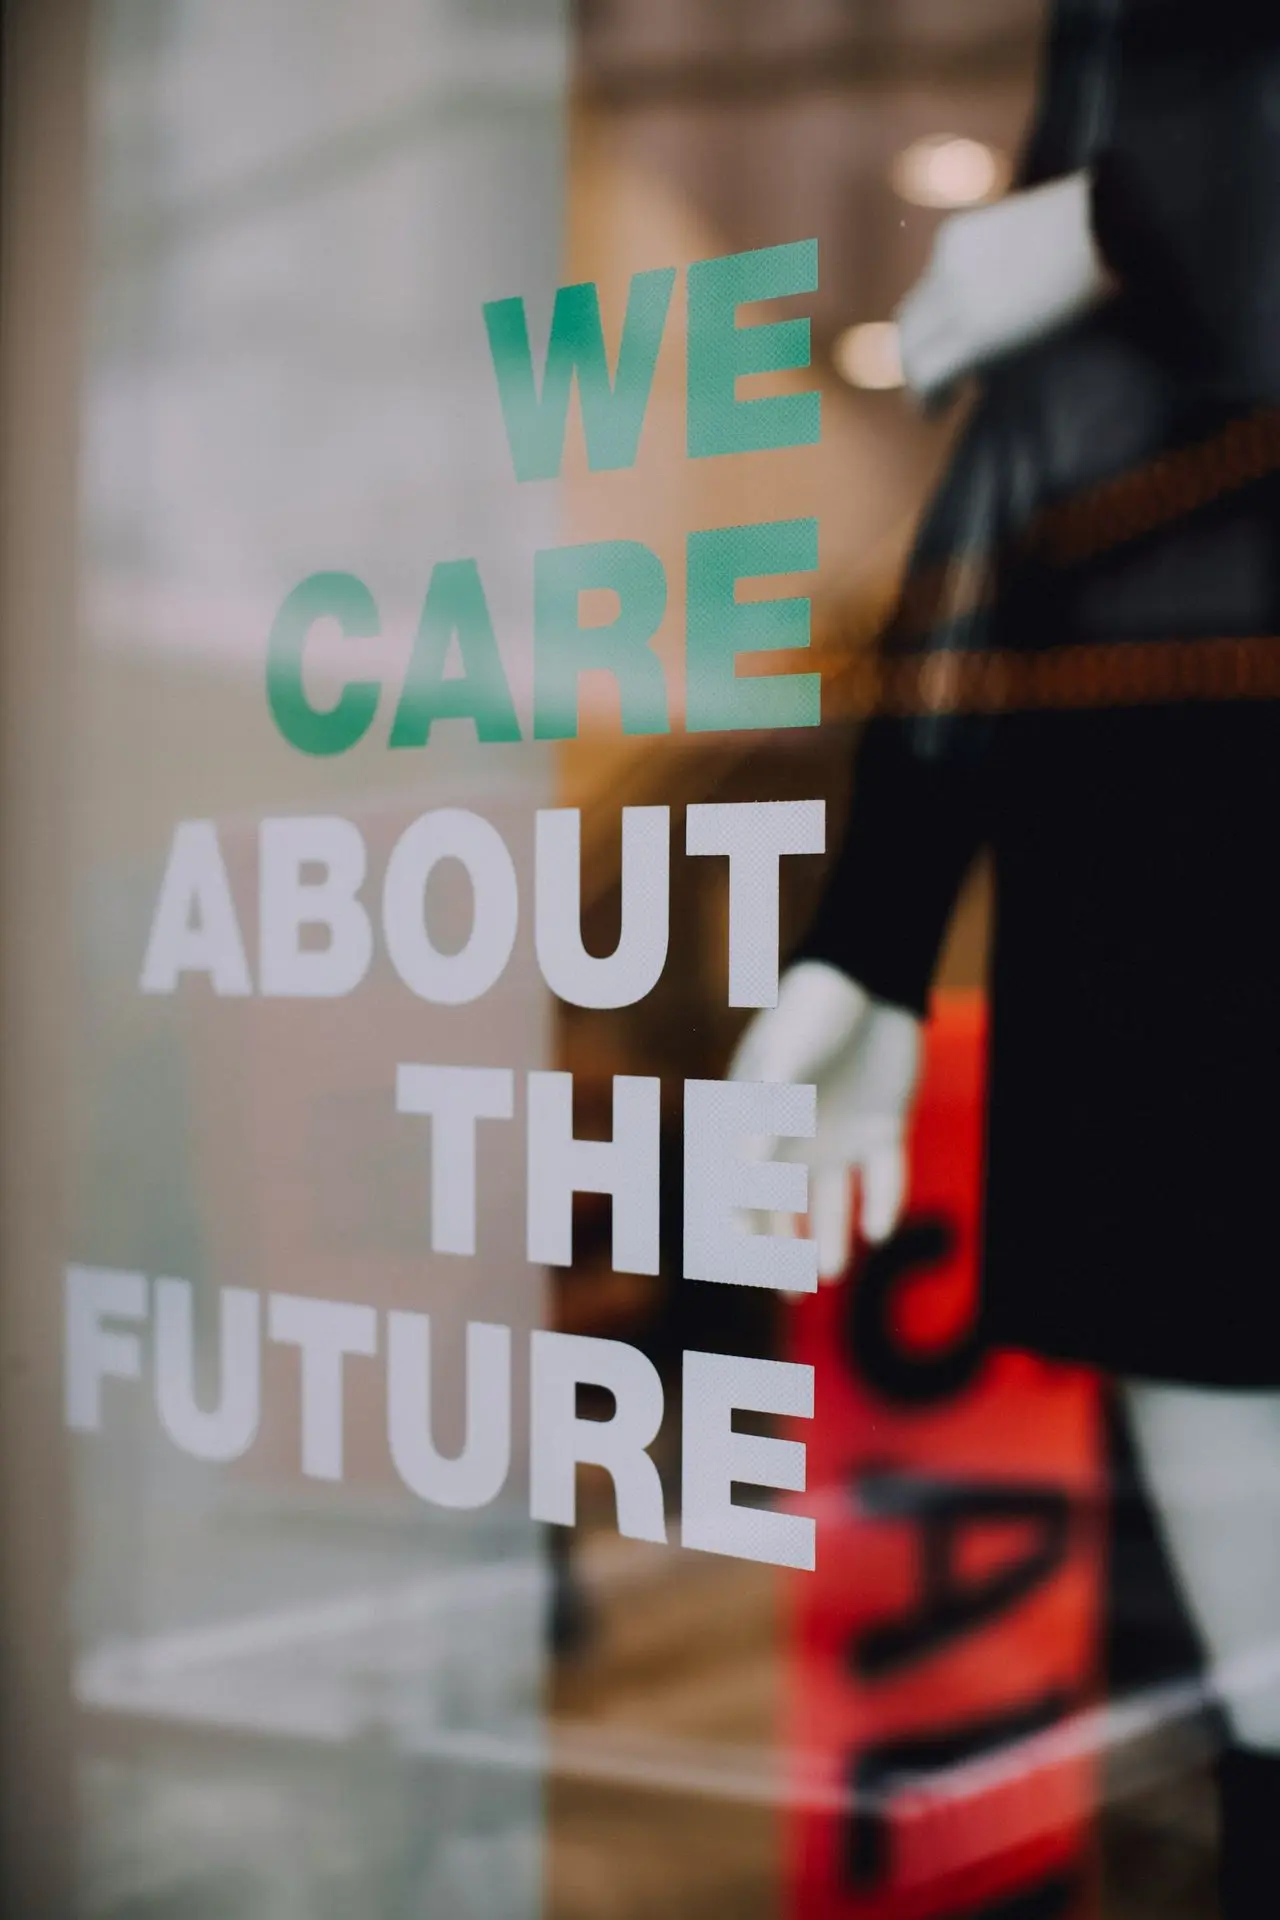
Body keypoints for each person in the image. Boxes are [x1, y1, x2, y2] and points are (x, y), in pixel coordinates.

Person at [731, 4, 1280, 1912]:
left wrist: (1125, 218)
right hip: (1152, 831)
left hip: (1190, 797)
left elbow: (1067, 306)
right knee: (1261, 1699)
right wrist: (878, 927)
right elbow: (1025, 429)